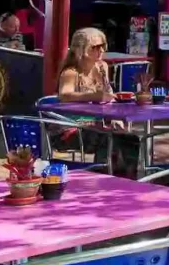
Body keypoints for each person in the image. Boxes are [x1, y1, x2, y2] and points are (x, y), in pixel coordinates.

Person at [57, 27, 139, 177]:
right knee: (107, 137)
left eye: (103, 46)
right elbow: (64, 95)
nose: (101, 50)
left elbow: (108, 96)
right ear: (81, 49)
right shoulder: (71, 72)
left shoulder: (102, 67)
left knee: (130, 139)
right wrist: (94, 96)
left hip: (98, 124)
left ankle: (128, 178)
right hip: (72, 128)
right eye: (95, 47)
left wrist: (114, 116)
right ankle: (102, 177)